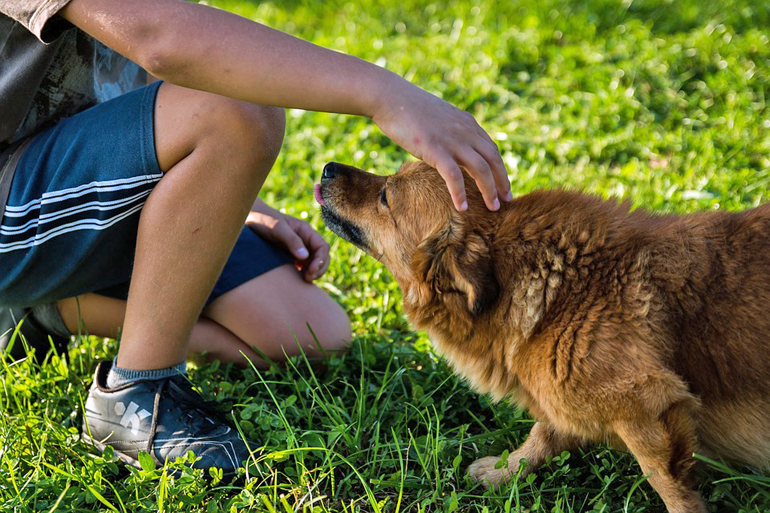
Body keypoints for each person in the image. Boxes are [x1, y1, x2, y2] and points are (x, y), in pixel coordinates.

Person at [0, 0, 511, 475]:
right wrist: (387, 95)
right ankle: (135, 394)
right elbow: (162, 39)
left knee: (307, 333)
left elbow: (133, 71)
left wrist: (226, 198)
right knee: (239, 109)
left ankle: (44, 310)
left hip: (67, 180)